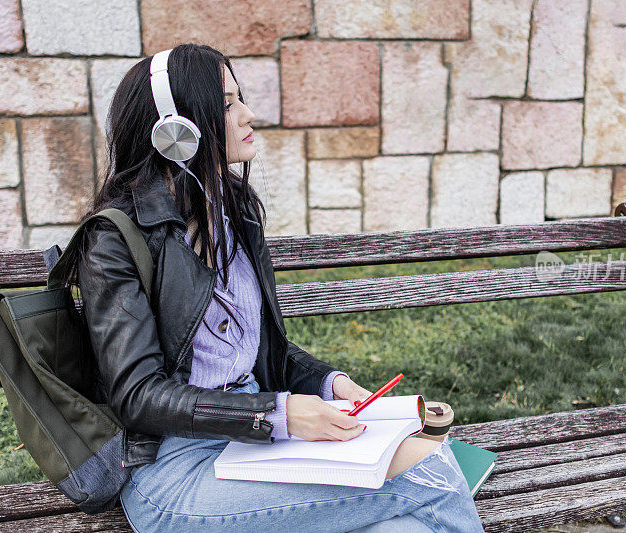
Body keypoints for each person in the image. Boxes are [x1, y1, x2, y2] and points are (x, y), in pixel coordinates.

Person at [73, 42, 484, 532]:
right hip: (172, 470)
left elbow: (265, 354)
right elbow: (138, 396)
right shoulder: (114, 238)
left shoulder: (233, 210)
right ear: (176, 130)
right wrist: (279, 414)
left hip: (256, 446)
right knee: (432, 473)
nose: (247, 115)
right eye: (227, 104)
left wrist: (332, 385)